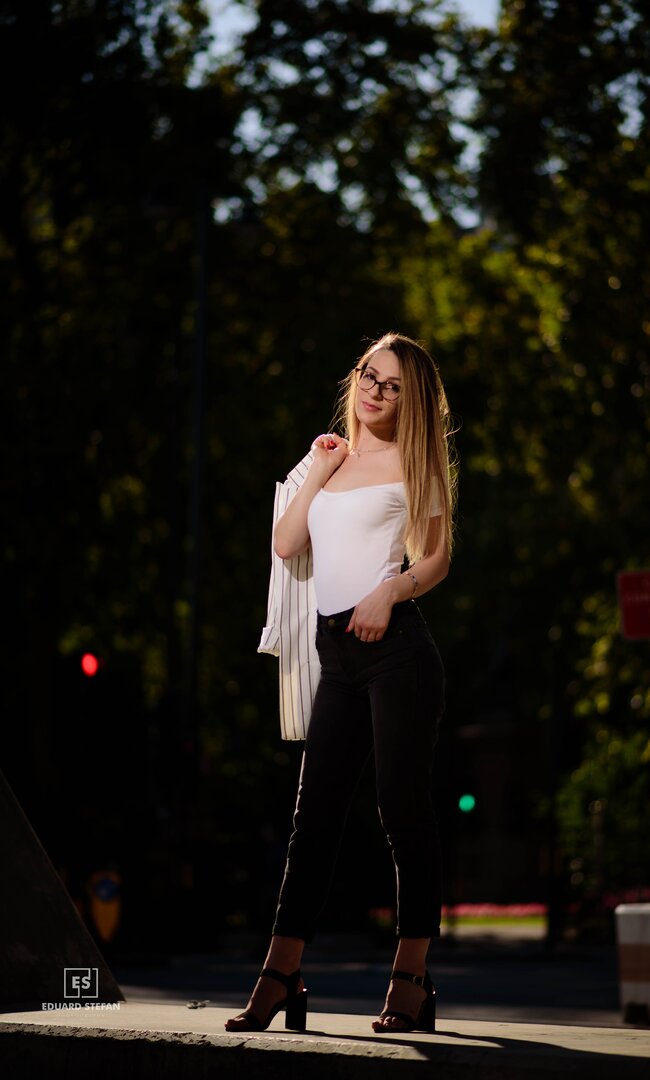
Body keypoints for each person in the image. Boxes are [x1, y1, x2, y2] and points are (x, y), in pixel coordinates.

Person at [225, 332, 456, 1035]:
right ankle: (281, 971)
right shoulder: (331, 458)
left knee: (399, 810)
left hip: (399, 656)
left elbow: (439, 558)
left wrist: (391, 593)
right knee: (312, 819)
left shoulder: (414, 462)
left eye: (389, 385)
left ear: (409, 398)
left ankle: (410, 977)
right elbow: (287, 543)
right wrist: (318, 469)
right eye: (367, 376)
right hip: (336, 658)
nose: (373, 392)